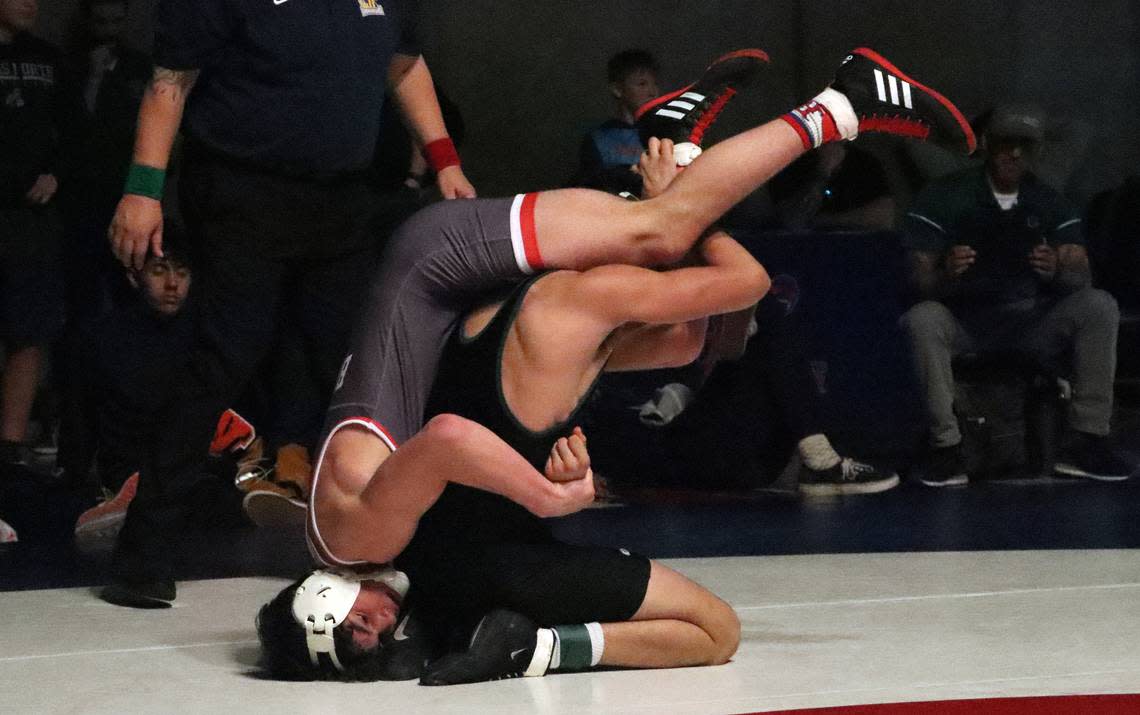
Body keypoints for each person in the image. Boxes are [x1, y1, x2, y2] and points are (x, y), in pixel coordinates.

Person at [253, 47, 976, 678]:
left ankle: (842, 102)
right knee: (660, 258)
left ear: (324, 598)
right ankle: (664, 143)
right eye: (368, 649)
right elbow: (693, 338)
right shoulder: (347, 542)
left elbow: (446, 438)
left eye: (354, 630)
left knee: (662, 230)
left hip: (437, 260)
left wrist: (549, 496)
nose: (377, 631)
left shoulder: (359, 539)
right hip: (448, 289)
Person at [100, 0, 475, 607]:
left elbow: (406, 66)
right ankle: (143, 551)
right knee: (224, 356)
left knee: (353, 363)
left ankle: (391, 541)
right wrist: (143, 189)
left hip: (342, 199)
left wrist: (445, 161)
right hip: (240, 189)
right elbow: (171, 83)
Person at [899, 104, 1132, 486]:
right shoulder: (947, 194)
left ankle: (1087, 439)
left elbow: (1082, 276)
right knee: (922, 317)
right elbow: (915, 281)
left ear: (1037, 151)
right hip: (966, 320)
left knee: (1099, 305)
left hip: (1031, 318)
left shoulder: (1049, 199)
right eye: (1007, 143)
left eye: (1025, 145)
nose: (1015, 154)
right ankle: (947, 447)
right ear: (988, 144)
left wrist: (1057, 268)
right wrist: (946, 272)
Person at [0, 0, 69, 466]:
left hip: (31, 217)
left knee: (29, 327)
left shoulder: (47, 58)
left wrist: (55, 172)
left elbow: (73, 130)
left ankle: (9, 446)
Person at [568, 49, 661, 195]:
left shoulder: (665, 132)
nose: (652, 92)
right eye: (642, 84)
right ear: (618, 89)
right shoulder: (600, 139)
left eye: (655, 84)